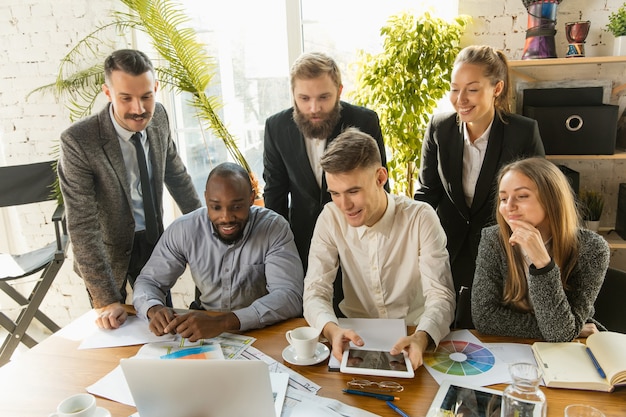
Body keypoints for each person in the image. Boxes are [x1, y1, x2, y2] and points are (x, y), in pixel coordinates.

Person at [58, 49, 202, 330]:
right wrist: (106, 299)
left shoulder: (158, 116)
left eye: (146, 96)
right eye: (126, 98)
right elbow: (82, 225)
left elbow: (177, 176)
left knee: (163, 328)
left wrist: (207, 228)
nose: (139, 108)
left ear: (155, 88)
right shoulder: (79, 141)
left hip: (153, 241)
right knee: (116, 331)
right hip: (106, 253)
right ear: (108, 93)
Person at [414, 45, 545, 328]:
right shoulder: (439, 127)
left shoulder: (522, 132)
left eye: (472, 89)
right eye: (454, 88)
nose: (460, 99)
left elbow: (538, 198)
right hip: (448, 246)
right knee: (447, 329)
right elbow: (427, 192)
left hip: (502, 248)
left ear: (497, 88)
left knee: (491, 329)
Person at [303, 128, 455, 370]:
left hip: (414, 334)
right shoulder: (330, 217)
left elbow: (441, 296)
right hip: (353, 339)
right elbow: (315, 291)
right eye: (335, 193)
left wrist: (422, 336)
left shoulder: (420, 217)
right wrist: (331, 331)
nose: (345, 205)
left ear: (380, 178)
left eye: (353, 191)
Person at [133, 162, 304, 341]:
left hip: (262, 330)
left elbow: (289, 296)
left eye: (236, 207)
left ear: (251, 198)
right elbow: (148, 282)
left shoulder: (273, 228)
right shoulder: (184, 229)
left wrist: (222, 323)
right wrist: (153, 308)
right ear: (206, 199)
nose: (226, 217)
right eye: (216, 207)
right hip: (204, 332)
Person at [263, 51, 388, 272]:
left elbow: (380, 187)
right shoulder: (276, 128)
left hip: (358, 241)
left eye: (323, 97)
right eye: (304, 99)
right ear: (293, 94)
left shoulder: (364, 121)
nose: (314, 108)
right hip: (303, 245)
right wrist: (278, 254)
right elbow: (275, 195)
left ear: (339, 92)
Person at [471, 157, 610, 342]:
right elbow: (484, 318)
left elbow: (560, 335)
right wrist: (568, 329)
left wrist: (543, 264)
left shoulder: (592, 249)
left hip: (570, 352)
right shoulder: (493, 239)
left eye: (522, 196)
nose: (509, 206)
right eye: (503, 198)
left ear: (552, 199)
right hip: (511, 348)